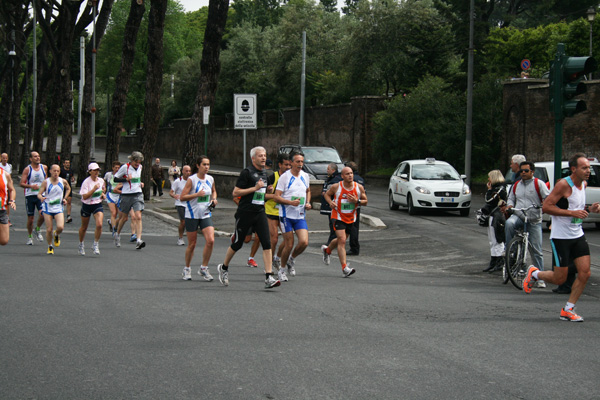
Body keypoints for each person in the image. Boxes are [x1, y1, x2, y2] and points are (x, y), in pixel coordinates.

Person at [524, 153, 600, 322]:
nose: (588, 171)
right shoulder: (563, 185)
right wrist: (571, 213)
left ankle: (568, 309)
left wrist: (591, 208)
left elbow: (578, 207)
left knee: (585, 273)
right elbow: (546, 207)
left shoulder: (584, 184)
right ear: (574, 169)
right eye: (584, 168)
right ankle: (535, 274)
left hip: (577, 234)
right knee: (560, 278)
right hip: (561, 237)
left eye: (588, 168)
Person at [216, 146, 280, 289]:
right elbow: (235, 192)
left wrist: (267, 190)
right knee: (238, 243)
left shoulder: (264, 173)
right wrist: (255, 189)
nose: (263, 158)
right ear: (253, 159)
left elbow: (261, 193)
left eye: (264, 155)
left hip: (259, 212)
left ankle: (269, 276)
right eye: (260, 156)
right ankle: (224, 267)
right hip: (245, 213)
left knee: (267, 243)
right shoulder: (247, 172)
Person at [505, 161, 549, 287]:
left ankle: (540, 278)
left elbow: (547, 197)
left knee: (536, 250)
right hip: (519, 215)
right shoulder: (516, 185)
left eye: (526, 171)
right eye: (521, 171)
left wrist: (544, 206)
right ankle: (510, 249)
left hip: (533, 219)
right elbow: (511, 198)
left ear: (532, 172)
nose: (523, 173)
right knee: (509, 223)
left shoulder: (538, 184)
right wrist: (510, 206)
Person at [321, 166, 367, 277]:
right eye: (347, 174)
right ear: (342, 176)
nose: (350, 175)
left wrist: (357, 201)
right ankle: (345, 268)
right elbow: (326, 194)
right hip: (338, 216)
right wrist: (330, 202)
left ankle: (327, 250)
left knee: (341, 239)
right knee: (342, 240)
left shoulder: (358, 187)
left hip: (351, 217)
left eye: (351, 173)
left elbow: (365, 201)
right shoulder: (337, 186)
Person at [273, 152, 311, 281]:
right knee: (289, 244)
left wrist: (308, 202)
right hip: (286, 215)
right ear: (292, 163)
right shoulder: (285, 177)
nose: (300, 164)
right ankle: (282, 270)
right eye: (298, 162)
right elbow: (276, 197)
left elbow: (308, 191)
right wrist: (290, 202)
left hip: (300, 215)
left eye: (302, 162)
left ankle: (291, 259)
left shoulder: (305, 176)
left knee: (304, 242)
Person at [180, 156, 217, 281]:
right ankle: (187, 268)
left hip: (205, 213)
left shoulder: (210, 178)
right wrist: (196, 194)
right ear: (198, 165)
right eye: (204, 164)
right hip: (192, 214)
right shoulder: (192, 180)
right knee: (192, 244)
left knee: (211, 240)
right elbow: (182, 197)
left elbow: (214, 191)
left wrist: (214, 199)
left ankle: (204, 268)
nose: (206, 167)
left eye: (208, 164)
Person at [113, 151, 146, 250]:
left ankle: (139, 240)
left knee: (138, 216)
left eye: (139, 161)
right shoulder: (125, 167)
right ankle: (118, 234)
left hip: (138, 194)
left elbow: (137, 179)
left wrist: (140, 183)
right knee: (123, 218)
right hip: (126, 195)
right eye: (136, 161)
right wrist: (126, 179)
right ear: (131, 160)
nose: (137, 163)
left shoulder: (140, 167)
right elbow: (115, 179)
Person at [265, 153, 291, 270]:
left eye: (290, 165)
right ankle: (269, 263)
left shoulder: (292, 178)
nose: (288, 167)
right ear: (279, 165)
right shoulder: (271, 177)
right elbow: (262, 196)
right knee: (274, 239)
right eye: (286, 165)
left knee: (288, 240)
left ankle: (277, 257)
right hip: (271, 211)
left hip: (285, 211)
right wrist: (273, 195)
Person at [37, 164, 70, 254]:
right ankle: (50, 246)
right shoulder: (46, 182)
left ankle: (56, 234)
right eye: (54, 171)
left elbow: (68, 189)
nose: (56, 173)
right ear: (50, 171)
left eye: (58, 171)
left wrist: (65, 198)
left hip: (58, 207)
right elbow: (39, 193)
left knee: (60, 227)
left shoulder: (63, 181)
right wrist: (41, 198)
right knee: (49, 229)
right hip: (48, 207)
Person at [481, 170, 507, 273]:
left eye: (489, 177)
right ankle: (494, 261)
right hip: (492, 215)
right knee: (492, 240)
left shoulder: (500, 189)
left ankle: (499, 262)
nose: (488, 179)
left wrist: (489, 190)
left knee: (497, 239)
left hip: (498, 216)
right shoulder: (497, 189)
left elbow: (489, 200)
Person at [20, 151, 48, 245]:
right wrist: (31, 186)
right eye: (35, 156)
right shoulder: (27, 169)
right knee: (31, 218)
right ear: (31, 159)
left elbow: (46, 181)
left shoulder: (44, 168)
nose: (37, 158)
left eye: (38, 156)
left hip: (41, 195)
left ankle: (38, 229)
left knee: (43, 214)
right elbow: (21, 183)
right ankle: (30, 236)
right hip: (30, 196)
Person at [78, 163, 106, 256]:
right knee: (84, 227)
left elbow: (103, 189)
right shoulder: (86, 182)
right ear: (90, 172)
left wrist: (102, 194)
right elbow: (84, 196)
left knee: (99, 225)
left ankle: (95, 244)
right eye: (94, 170)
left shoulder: (101, 180)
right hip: (86, 205)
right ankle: (81, 244)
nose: (96, 172)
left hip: (97, 204)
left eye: (97, 170)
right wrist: (93, 189)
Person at [345, 161, 364, 256]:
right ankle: (355, 247)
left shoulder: (352, 181)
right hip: (357, 206)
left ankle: (354, 248)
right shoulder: (360, 179)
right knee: (354, 228)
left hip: (349, 206)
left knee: (351, 228)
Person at [320, 162, 342, 246]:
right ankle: (334, 240)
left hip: (334, 206)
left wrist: (326, 193)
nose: (327, 170)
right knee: (331, 223)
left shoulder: (335, 180)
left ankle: (333, 240)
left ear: (333, 170)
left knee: (334, 224)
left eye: (328, 169)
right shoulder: (330, 178)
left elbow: (334, 192)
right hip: (330, 206)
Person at [170, 164, 191, 246]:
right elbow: (171, 192)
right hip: (180, 204)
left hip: (189, 204)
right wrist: (174, 195)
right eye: (186, 171)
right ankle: (180, 238)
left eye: (189, 171)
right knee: (183, 221)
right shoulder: (178, 181)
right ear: (182, 171)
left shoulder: (192, 181)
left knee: (189, 222)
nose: (188, 173)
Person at [104, 161, 123, 237]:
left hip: (118, 195)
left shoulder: (122, 176)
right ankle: (114, 230)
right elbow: (104, 181)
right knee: (113, 213)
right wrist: (104, 188)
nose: (117, 169)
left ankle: (112, 223)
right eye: (116, 168)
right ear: (113, 168)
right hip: (110, 195)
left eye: (118, 168)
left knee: (120, 216)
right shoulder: (108, 175)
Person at [0, 165, 16, 246]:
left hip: (2, 210)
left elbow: (12, 189)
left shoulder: (5, 174)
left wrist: (12, 200)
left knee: (4, 240)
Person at [59, 159, 75, 223]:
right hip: (62, 188)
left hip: (68, 187)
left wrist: (73, 179)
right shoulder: (61, 170)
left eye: (68, 163)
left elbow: (72, 177)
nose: (67, 164)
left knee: (69, 201)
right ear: (63, 164)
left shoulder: (71, 170)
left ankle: (68, 216)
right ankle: (59, 214)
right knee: (61, 201)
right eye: (66, 163)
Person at [1, 153, 13, 227]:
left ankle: (7, 218)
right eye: (3, 158)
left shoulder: (9, 166)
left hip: (7, 186)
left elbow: (10, 177)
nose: (5, 159)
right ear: (1, 158)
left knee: (7, 203)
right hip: (1, 186)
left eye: (6, 158)